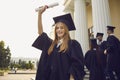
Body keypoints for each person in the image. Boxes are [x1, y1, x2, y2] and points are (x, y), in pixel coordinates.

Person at [32, 5, 85, 80]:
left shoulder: (73, 44)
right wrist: (40, 14)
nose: (59, 30)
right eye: (57, 28)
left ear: (66, 30)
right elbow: (41, 33)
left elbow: (77, 64)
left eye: (62, 28)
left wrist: (72, 78)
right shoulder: (52, 44)